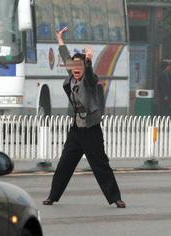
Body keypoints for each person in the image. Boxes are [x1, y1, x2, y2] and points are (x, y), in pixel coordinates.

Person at [42, 27, 125, 208]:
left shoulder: (89, 79)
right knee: (64, 165)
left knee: (100, 165)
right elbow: (64, 56)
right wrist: (60, 39)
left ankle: (115, 197)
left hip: (91, 130)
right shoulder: (71, 77)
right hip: (76, 130)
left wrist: (88, 60)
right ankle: (52, 196)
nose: (76, 69)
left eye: (79, 67)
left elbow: (89, 74)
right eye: (74, 67)